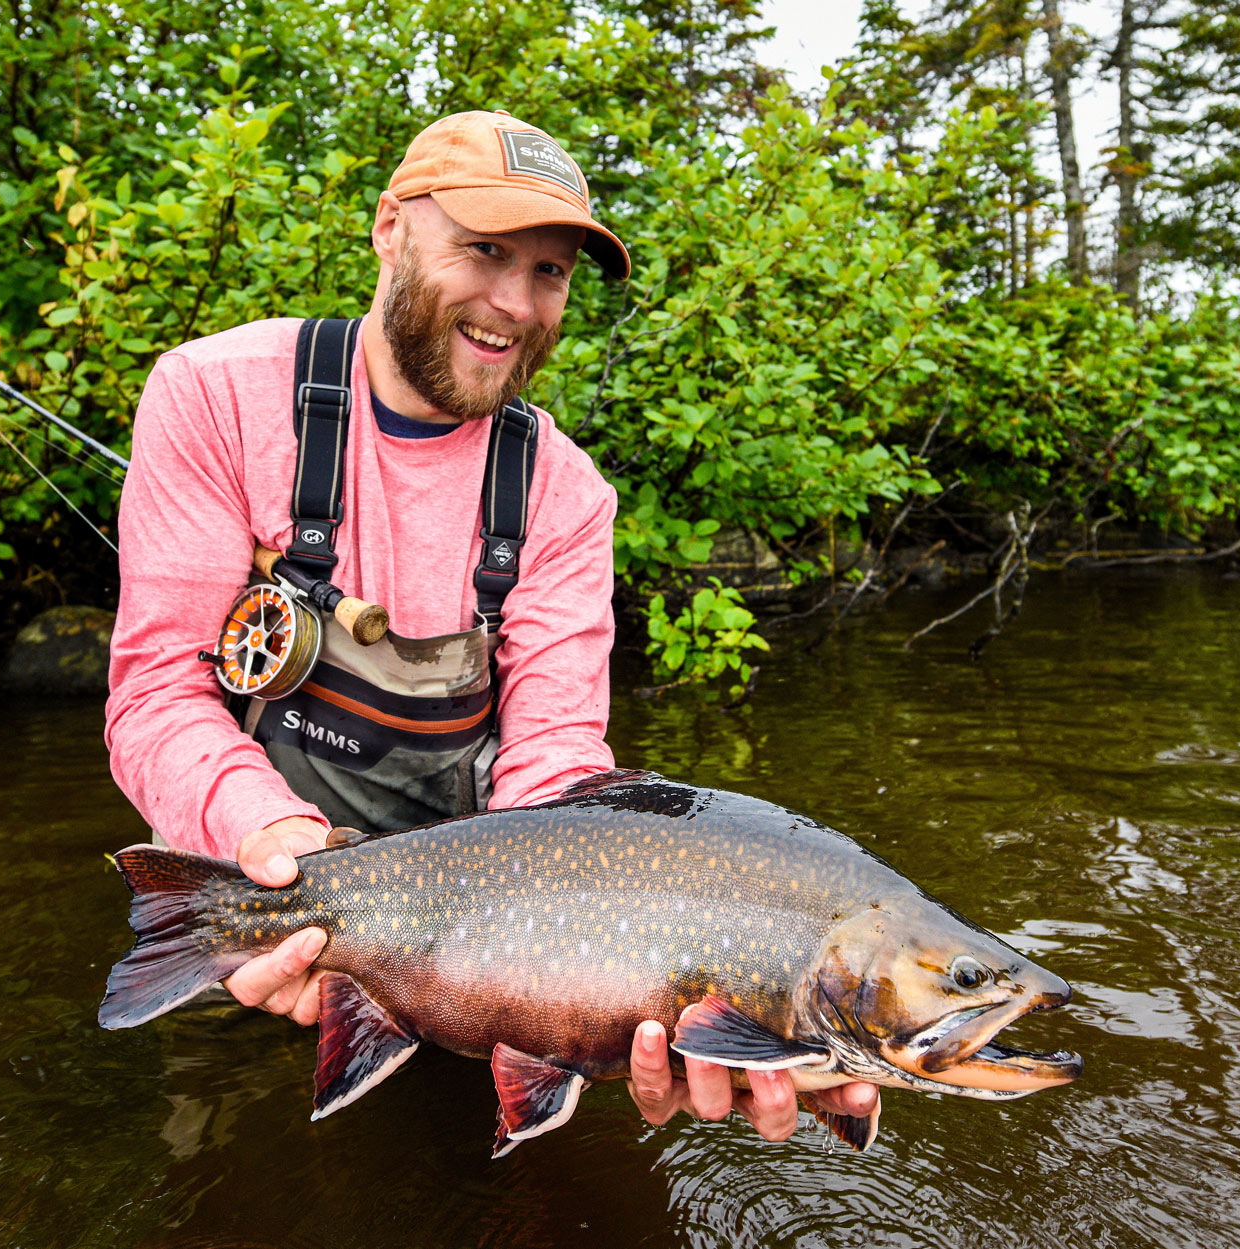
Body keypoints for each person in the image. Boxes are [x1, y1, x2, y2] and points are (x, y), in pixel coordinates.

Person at [105, 109, 876, 1143]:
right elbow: (156, 690)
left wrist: (653, 1000)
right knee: (228, 1153)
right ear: (390, 228)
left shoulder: (566, 495)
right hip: (245, 886)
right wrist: (269, 842)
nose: (515, 303)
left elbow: (555, 770)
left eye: (549, 271)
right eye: (483, 250)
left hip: (475, 945)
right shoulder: (215, 396)